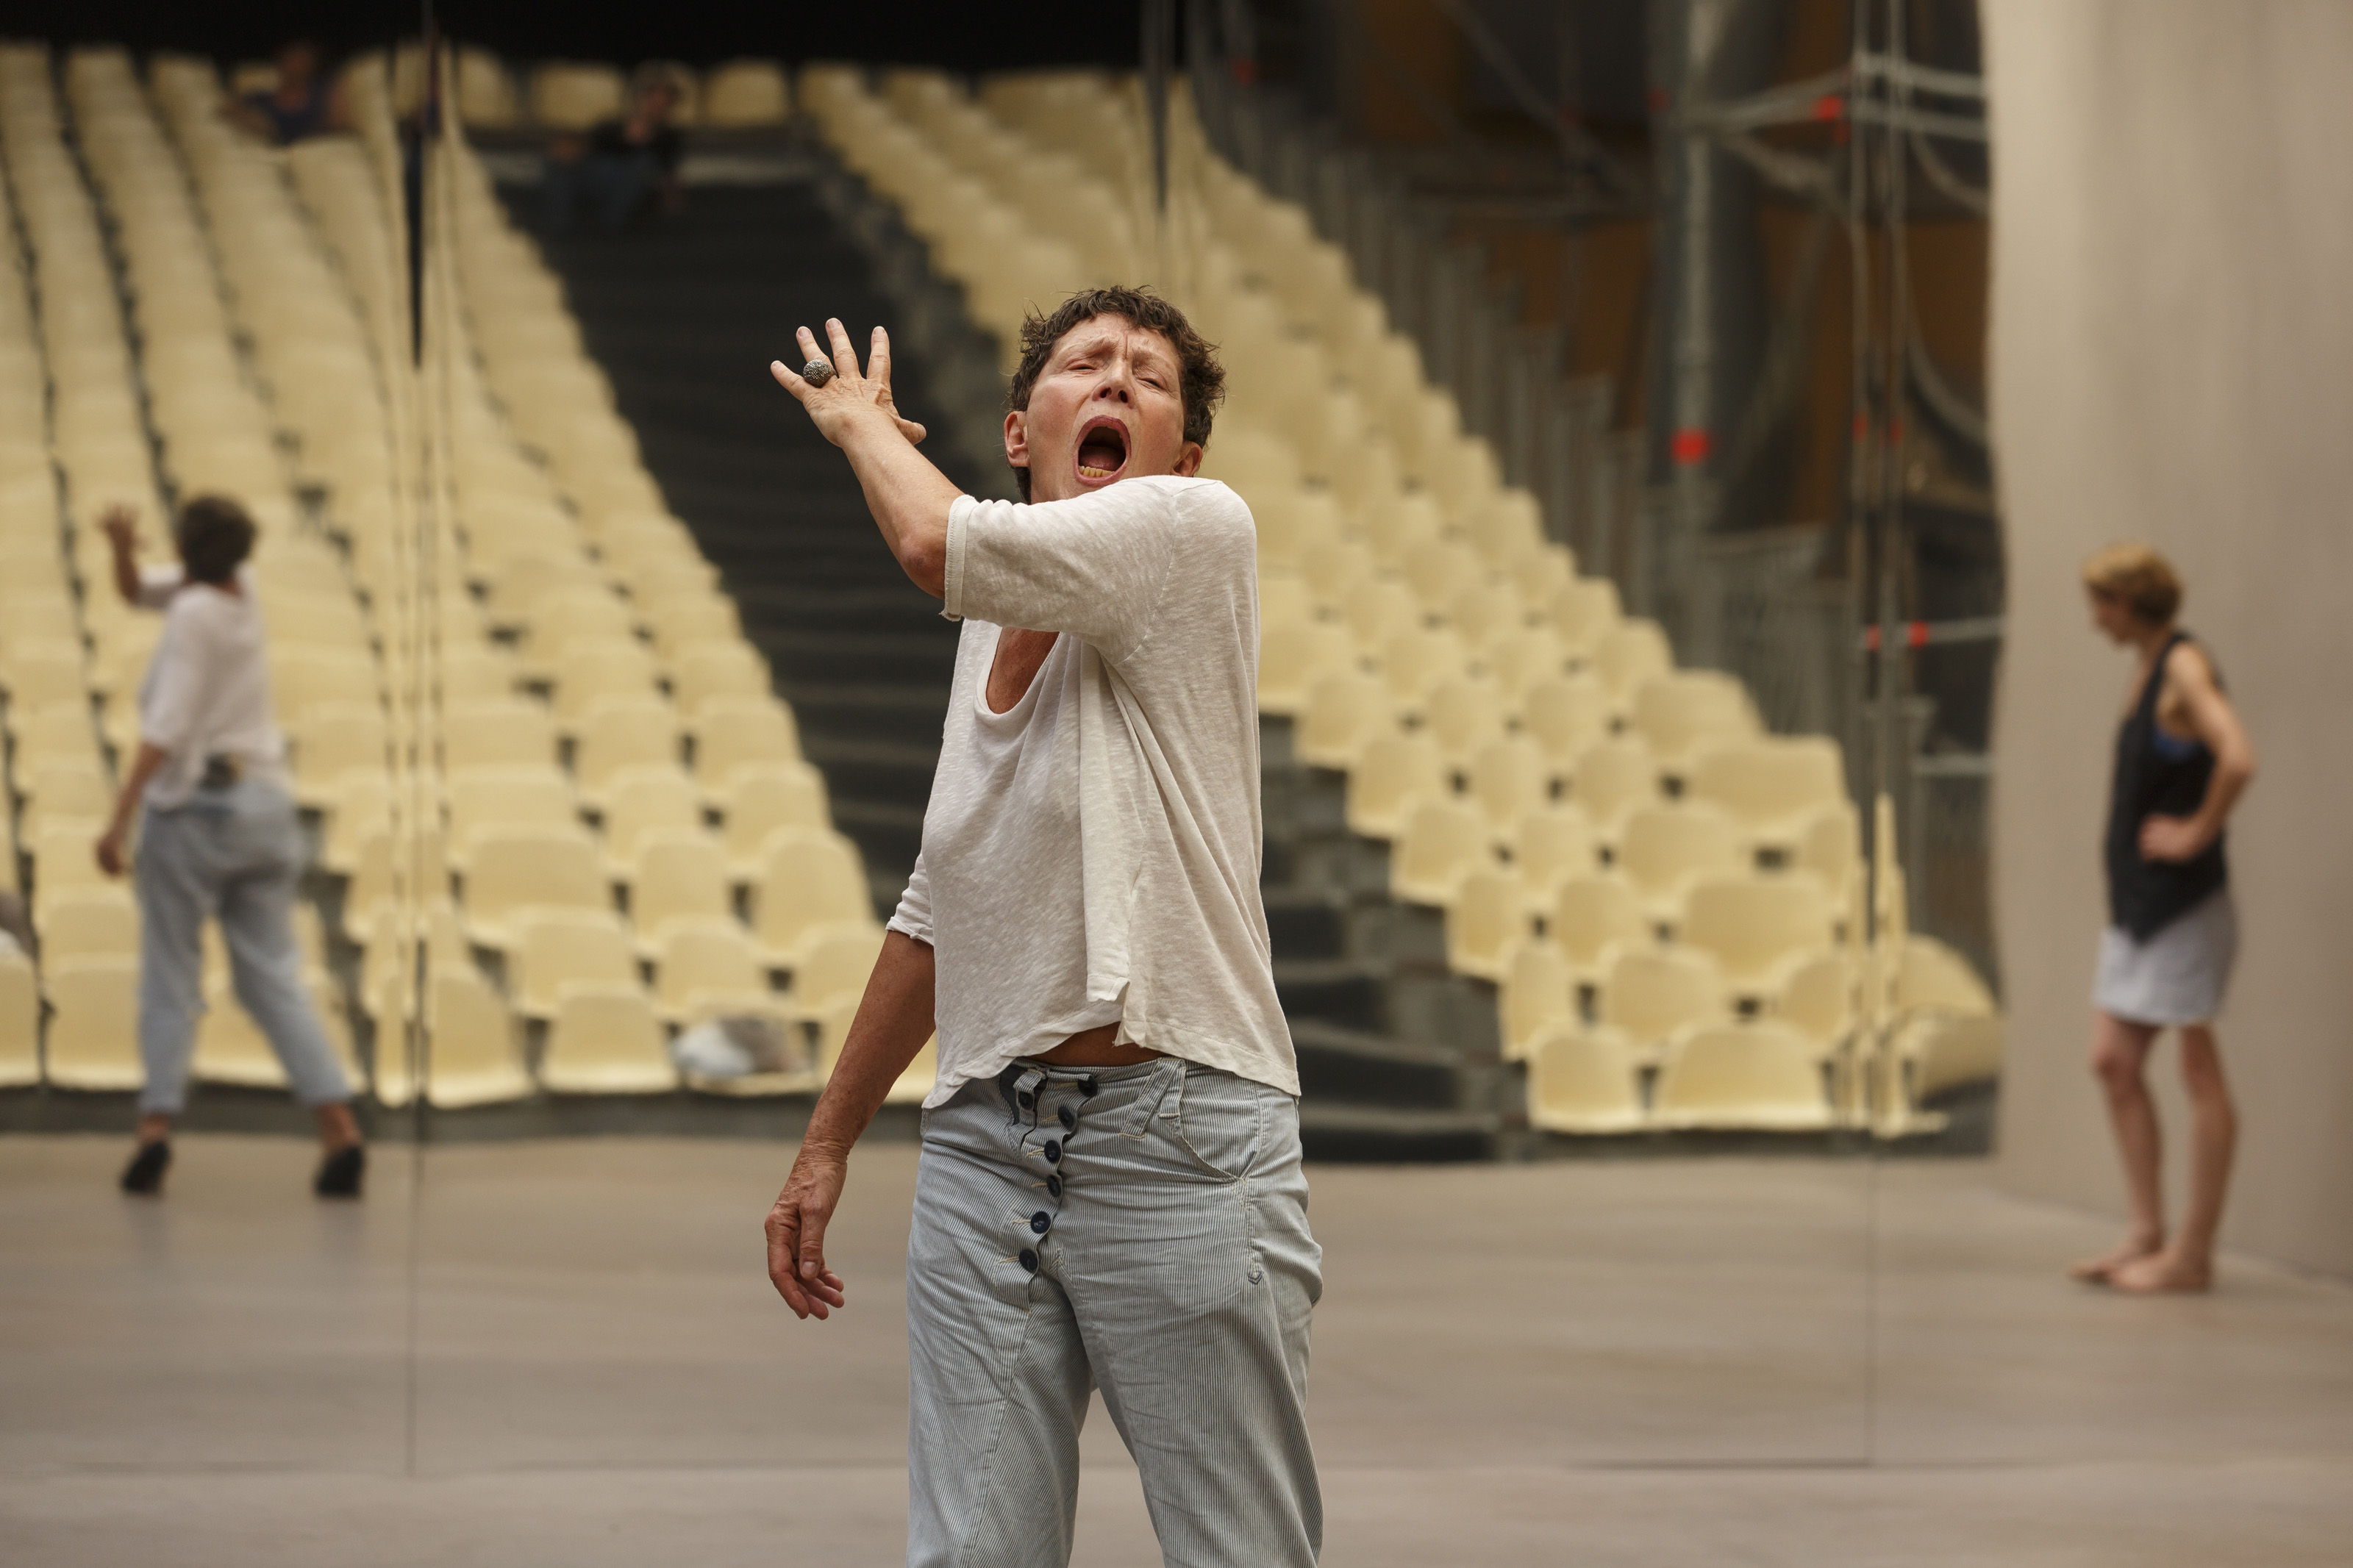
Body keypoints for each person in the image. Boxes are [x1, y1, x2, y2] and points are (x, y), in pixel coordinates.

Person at [762, 290, 1321, 1567]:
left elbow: (929, 539)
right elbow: (940, 902)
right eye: (1086, 363)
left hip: (1178, 1142)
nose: (1117, 380)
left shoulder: (1195, 528)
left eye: (1150, 376)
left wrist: (858, 424)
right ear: (1022, 432)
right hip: (982, 1149)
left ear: (1184, 457)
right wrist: (826, 1142)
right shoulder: (987, 622)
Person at [94, 498, 365, 1200]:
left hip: (196, 811)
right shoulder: (243, 590)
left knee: (170, 974)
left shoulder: (192, 613)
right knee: (274, 977)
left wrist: (118, 820)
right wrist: (122, 551)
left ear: (188, 547)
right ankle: (338, 1125)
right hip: (266, 807)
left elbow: (168, 727)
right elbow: (135, 590)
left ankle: (155, 1129)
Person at [2070, 543, 2254, 1294]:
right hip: (2137, 909)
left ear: (2127, 601)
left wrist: (2196, 831)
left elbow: (2236, 756)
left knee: (2196, 1069)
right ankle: (2146, 1230)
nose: (2094, 619)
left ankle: (2191, 1254)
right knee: (2112, 1061)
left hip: (2182, 906)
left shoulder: (2182, 665)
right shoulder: (2146, 666)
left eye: (2100, 604)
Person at [543, 75, 685, 235]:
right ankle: (558, 229)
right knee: (560, 164)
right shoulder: (612, 125)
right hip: (595, 174)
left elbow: (668, 173)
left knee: (643, 164)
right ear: (642, 100)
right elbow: (584, 146)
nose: (656, 108)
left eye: (663, 105)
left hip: (628, 183)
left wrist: (671, 197)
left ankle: (610, 228)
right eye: (654, 102)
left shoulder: (668, 138)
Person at [225, 40, 345, 146]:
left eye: (301, 61)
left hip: (309, 148)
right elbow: (229, 110)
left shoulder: (320, 94)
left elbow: (337, 124)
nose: (295, 66)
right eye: (292, 60)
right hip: (267, 149)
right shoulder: (263, 97)